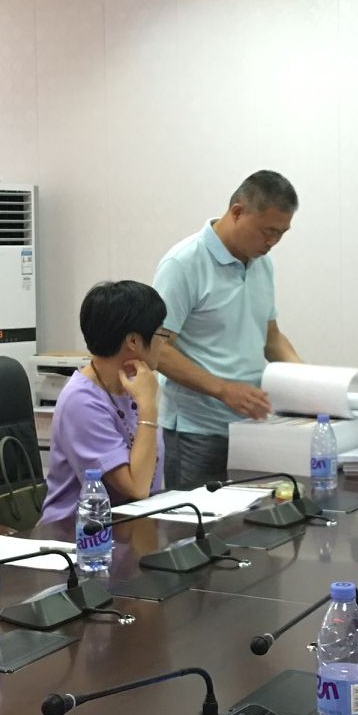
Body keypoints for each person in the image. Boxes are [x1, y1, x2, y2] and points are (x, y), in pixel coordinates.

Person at [154, 170, 302, 488]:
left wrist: (308, 380)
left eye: (281, 234)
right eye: (267, 231)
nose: (273, 243)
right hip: (197, 432)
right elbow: (157, 349)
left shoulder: (262, 263)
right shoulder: (183, 264)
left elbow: (271, 337)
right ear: (237, 212)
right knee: (196, 517)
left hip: (252, 427)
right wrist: (224, 389)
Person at [42, 281, 170, 523]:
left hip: (128, 526)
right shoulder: (81, 402)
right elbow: (136, 488)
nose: (164, 343)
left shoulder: (132, 386)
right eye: (160, 334)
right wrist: (148, 407)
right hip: (77, 534)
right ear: (133, 341)